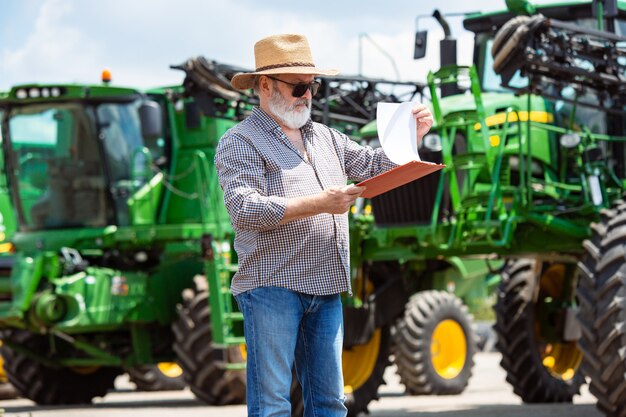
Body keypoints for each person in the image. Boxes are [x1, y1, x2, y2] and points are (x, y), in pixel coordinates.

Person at [214, 33, 433, 417]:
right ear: (265, 86)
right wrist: (321, 204)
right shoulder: (239, 141)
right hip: (272, 287)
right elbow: (244, 208)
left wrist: (410, 139)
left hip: (325, 286)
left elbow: (370, 167)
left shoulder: (325, 137)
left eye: (312, 86)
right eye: (299, 86)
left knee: (330, 404)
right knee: (272, 405)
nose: (307, 95)